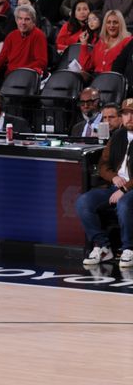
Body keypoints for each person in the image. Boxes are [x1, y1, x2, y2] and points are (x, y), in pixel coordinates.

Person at [76, 98, 133, 268]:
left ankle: (128, 249)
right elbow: (103, 165)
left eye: (132, 114)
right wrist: (114, 177)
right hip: (115, 185)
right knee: (83, 202)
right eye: (126, 114)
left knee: (124, 203)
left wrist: (124, 188)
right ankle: (102, 246)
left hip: (129, 189)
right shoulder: (117, 136)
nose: (129, 118)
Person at [0, 5, 48, 76]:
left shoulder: (39, 35)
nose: (23, 22)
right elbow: (2, 57)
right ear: (16, 20)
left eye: (27, 19)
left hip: (27, 76)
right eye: (20, 18)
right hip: (10, 76)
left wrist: (21, 70)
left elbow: (41, 62)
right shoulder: (11, 36)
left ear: (33, 21)